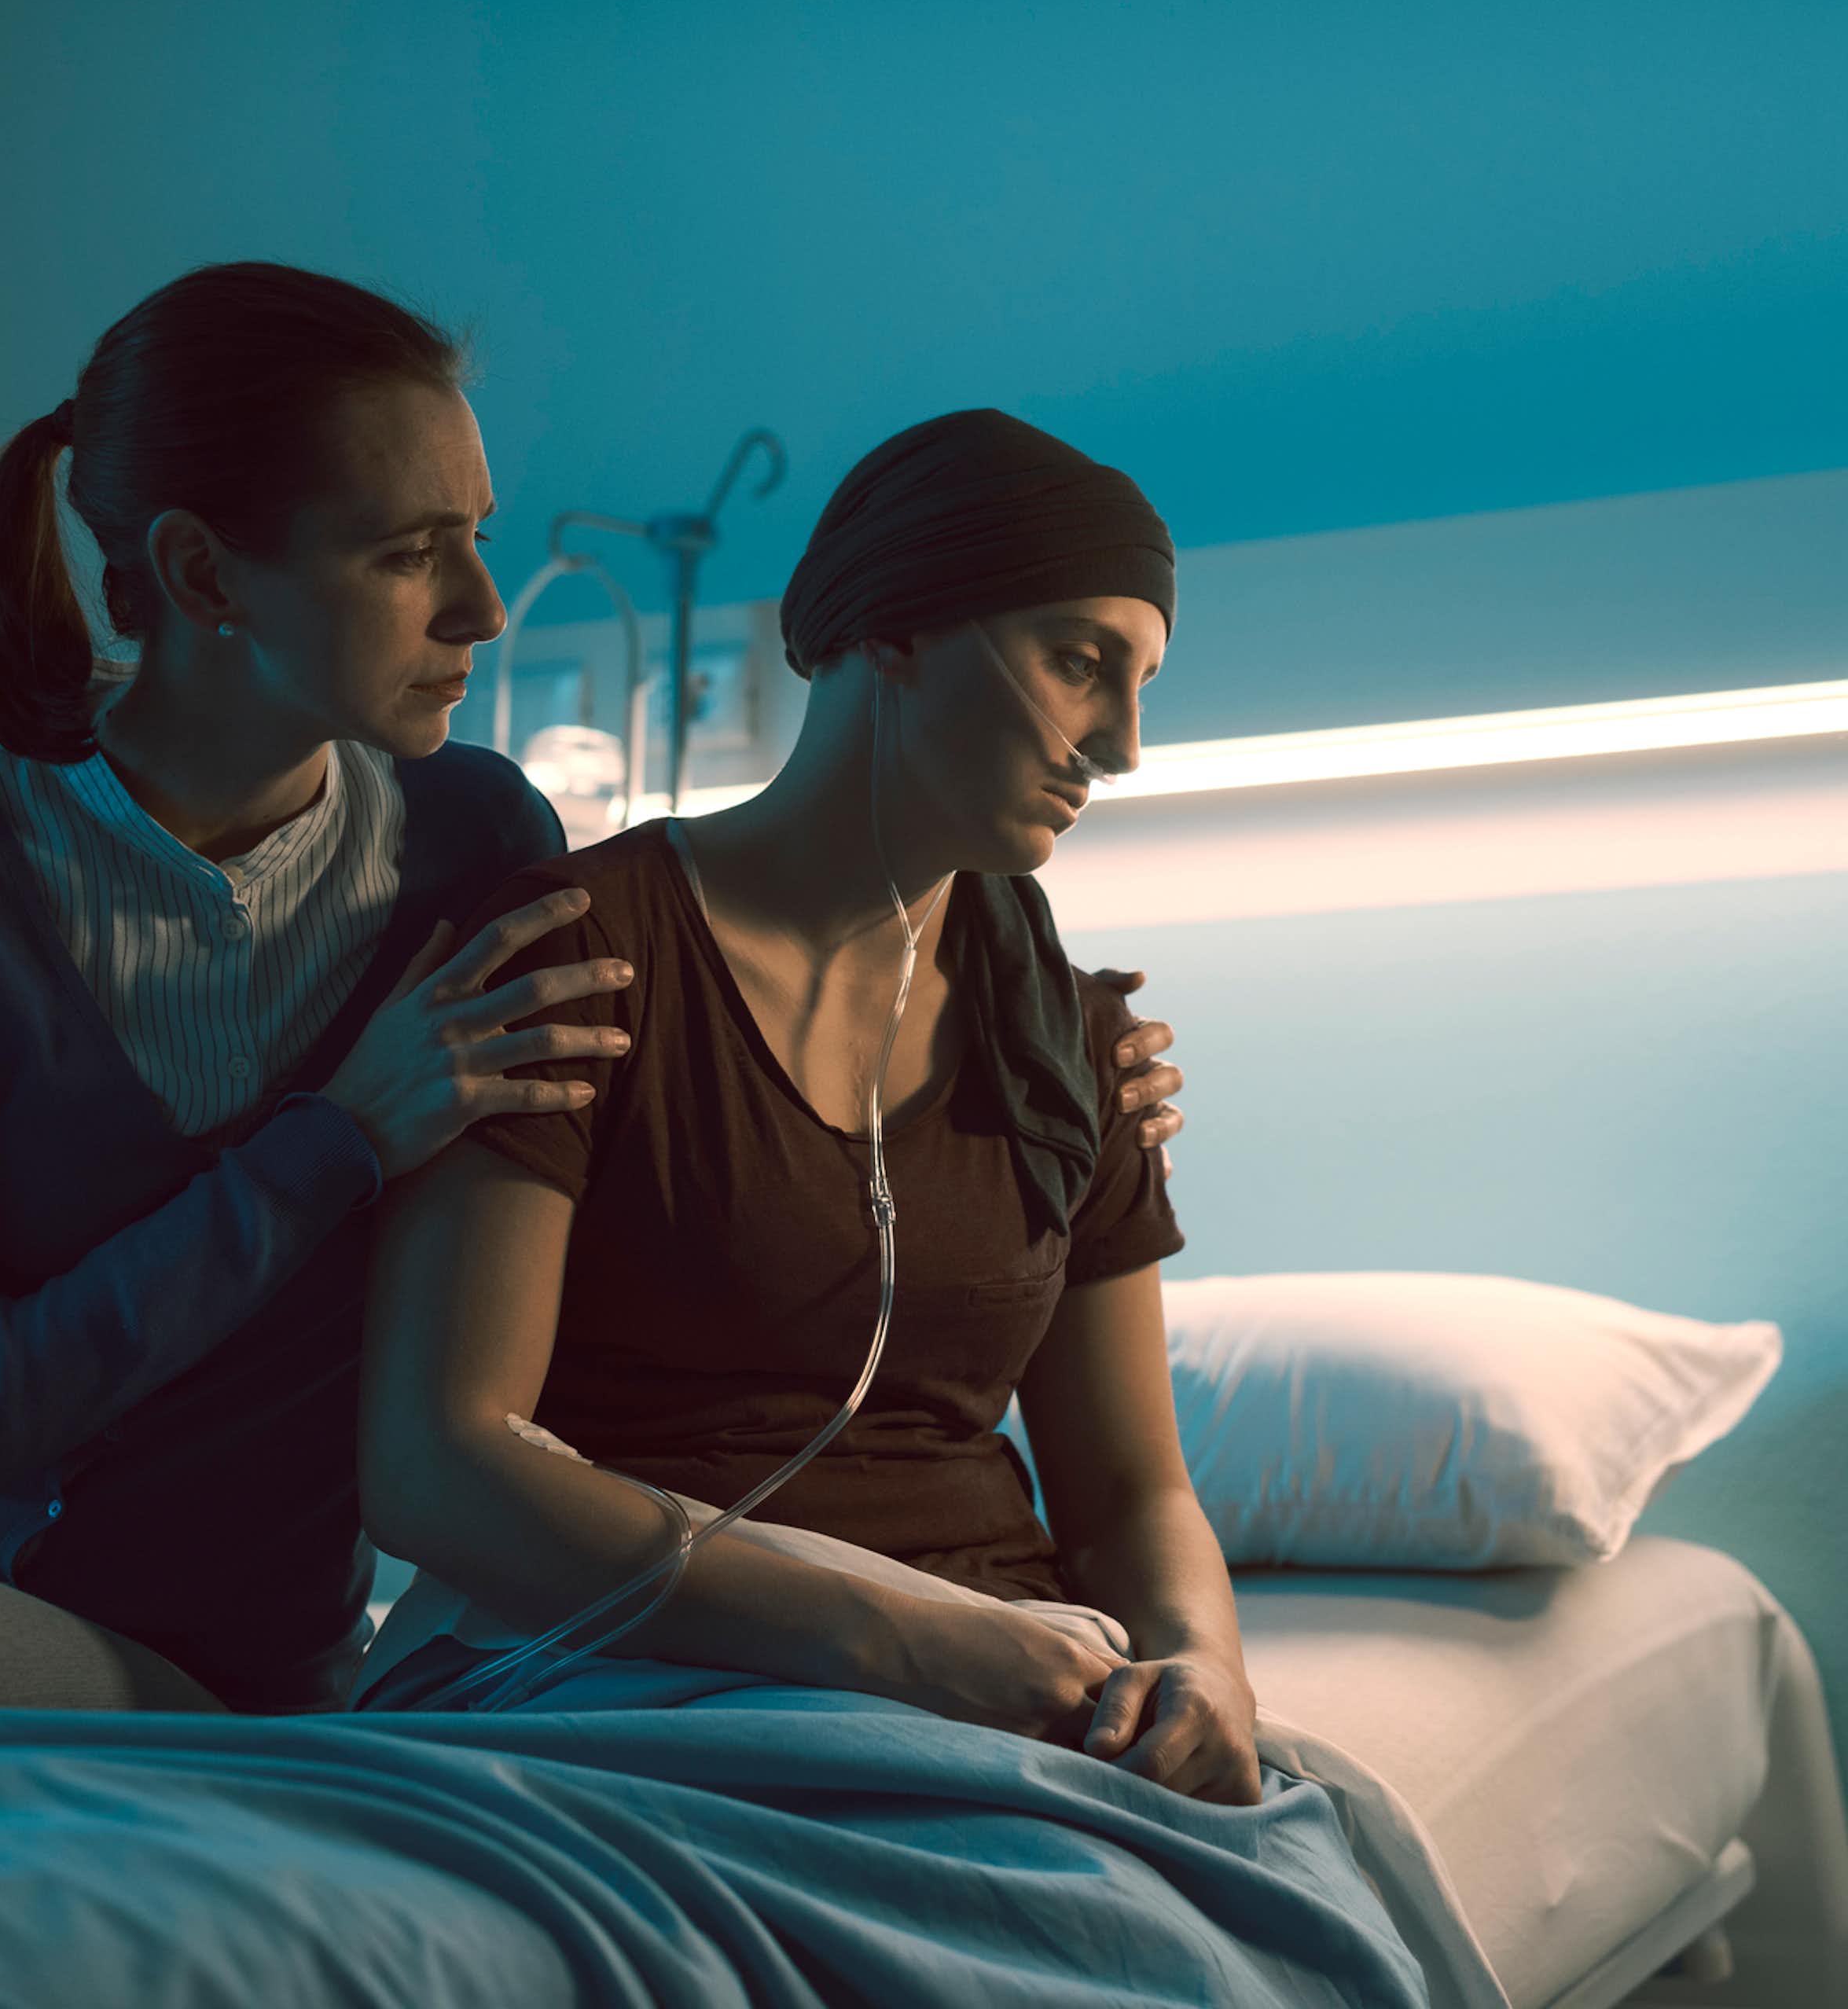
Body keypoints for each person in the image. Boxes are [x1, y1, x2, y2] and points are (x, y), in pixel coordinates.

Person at [0, 274, 1185, 1716]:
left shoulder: (478, 840)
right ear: (203, 576)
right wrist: (332, 1144)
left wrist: (1050, 1091)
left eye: (476, 537)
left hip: (293, 1673)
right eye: (412, 556)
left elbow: (584, 1266)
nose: (484, 608)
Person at [352, 410, 1254, 1807]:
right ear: (895, 631)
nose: (1121, 746)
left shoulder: (1074, 1037)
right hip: (631, 1666)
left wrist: (1203, 1667)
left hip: (1027, 1686)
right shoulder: (584, 955)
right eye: (1081, 663)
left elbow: (1135, 1494)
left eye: (1141, 684)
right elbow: (438, 1463)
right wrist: (908, 1641)